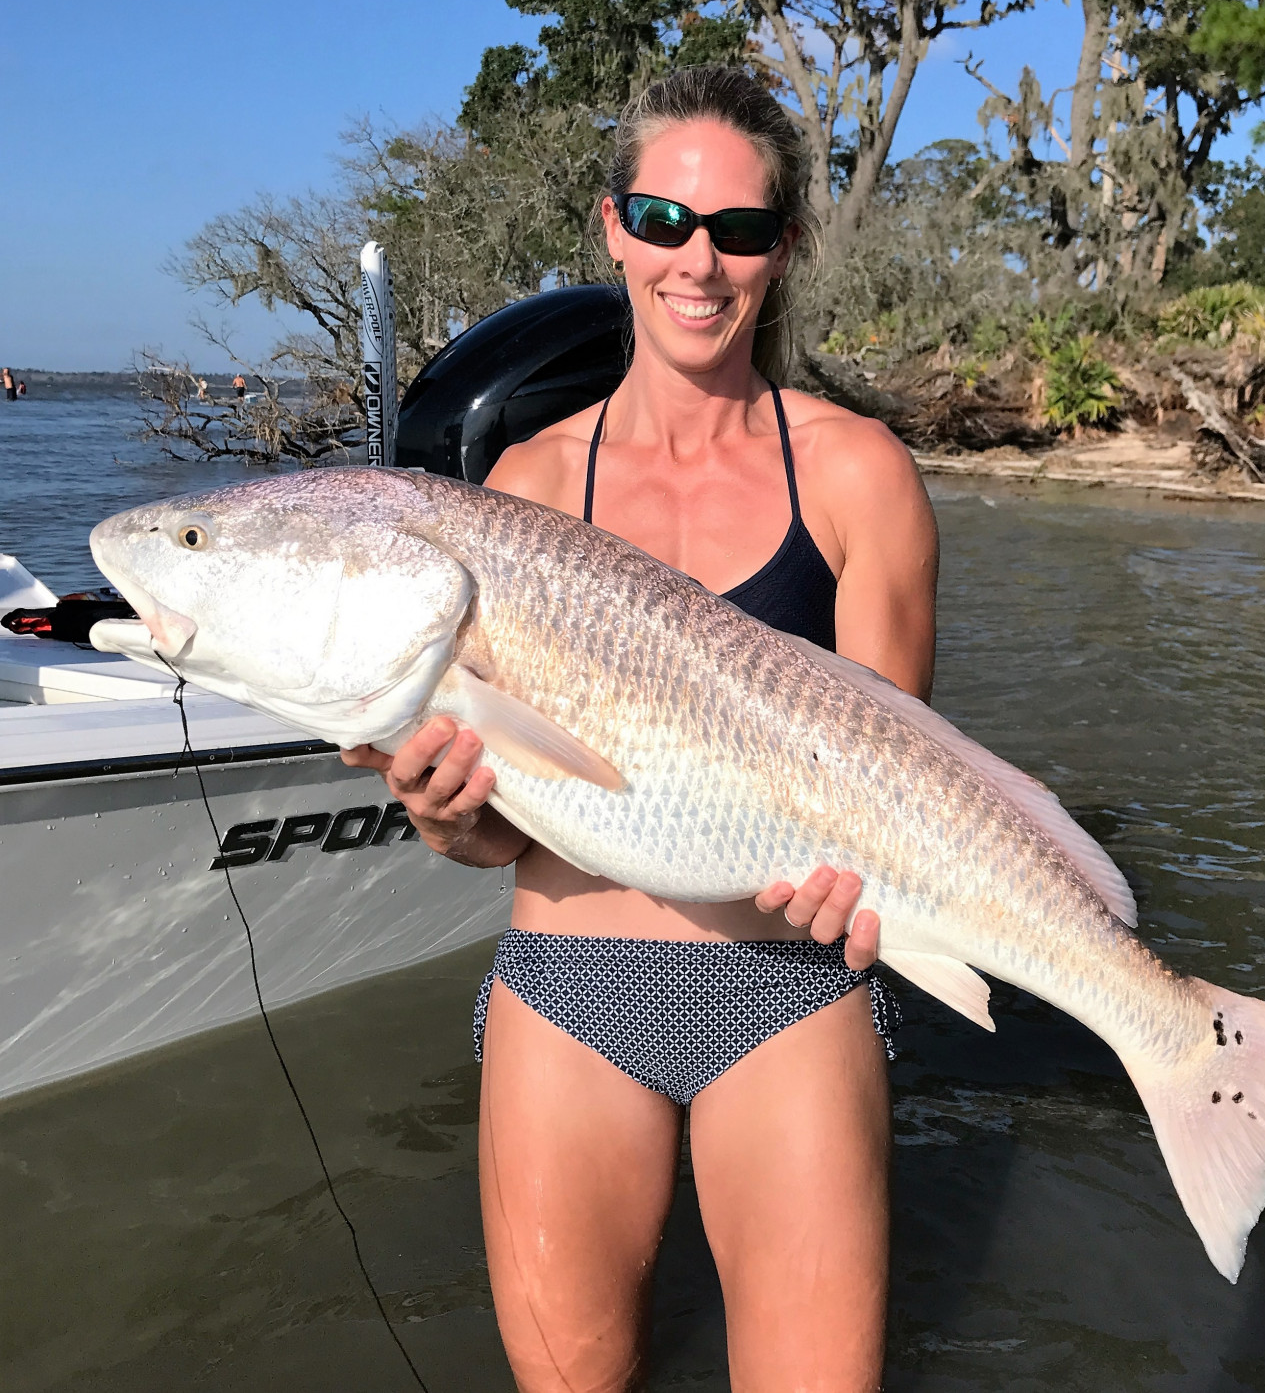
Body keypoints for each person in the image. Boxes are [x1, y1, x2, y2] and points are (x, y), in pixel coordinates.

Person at [342, 67, 938, 1393]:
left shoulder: (857, 474)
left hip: (789, 993)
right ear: (614, 227)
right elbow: (495, 836)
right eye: (666, 220)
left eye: (738, 230)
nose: (699, 262)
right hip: (568, 998)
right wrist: (446, 813)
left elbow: (900, 792)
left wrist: (875, 886)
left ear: (780, 252)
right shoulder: (526, 485)